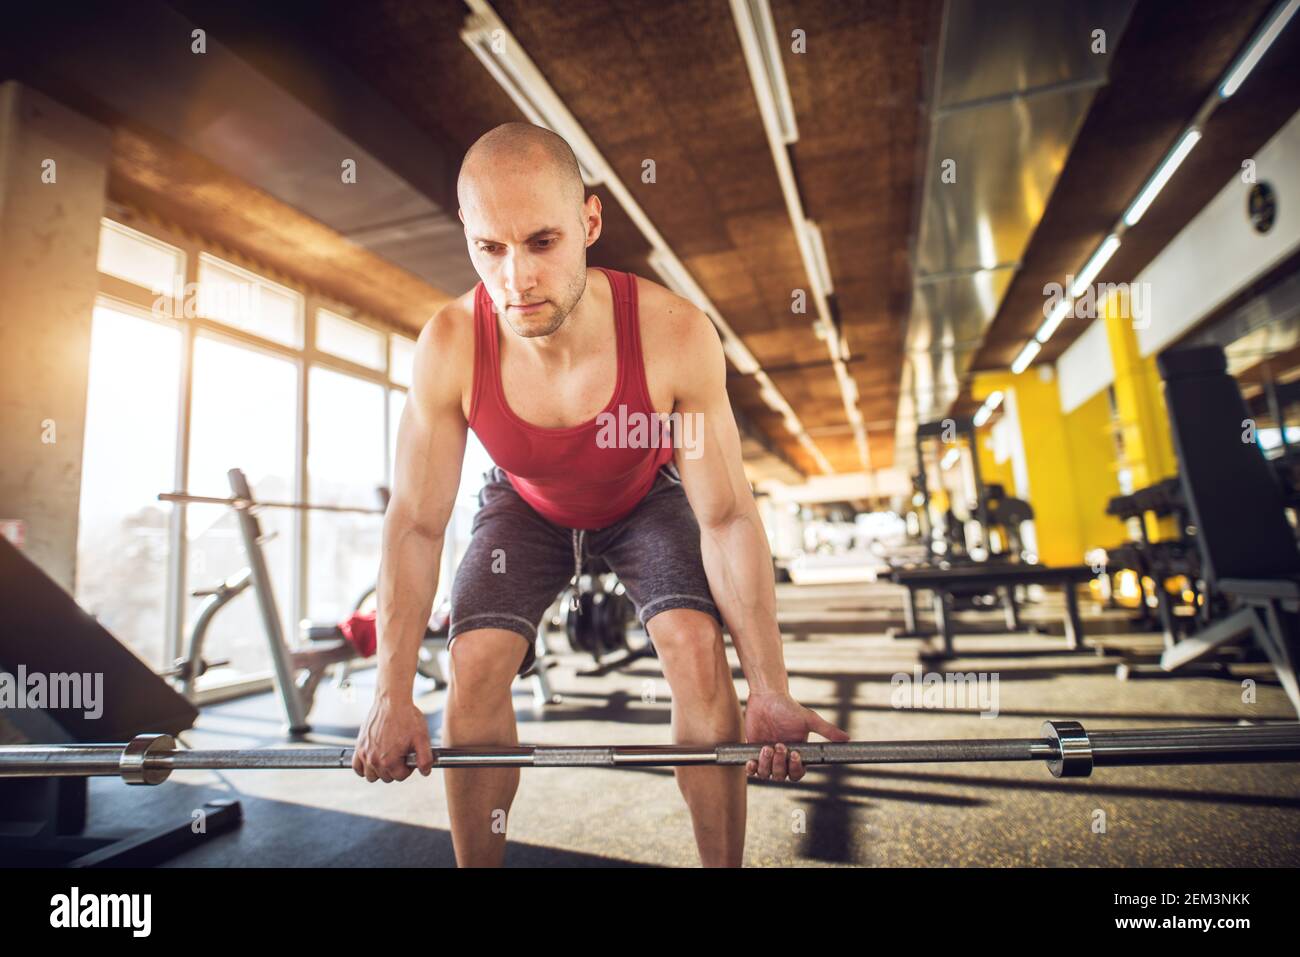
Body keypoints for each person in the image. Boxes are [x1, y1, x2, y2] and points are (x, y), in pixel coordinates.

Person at [353, 122, 847, 867]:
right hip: (526, 503)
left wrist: (769, 684)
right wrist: (390, 692)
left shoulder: (673, 332)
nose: (516, 279)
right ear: (466, 232)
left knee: (694, 645)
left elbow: (727, 516)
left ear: (589, 221)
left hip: (644, 494)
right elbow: (417, 523)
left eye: (542, 242)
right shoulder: (450, 342)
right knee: (478, 658)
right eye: (490, 247)